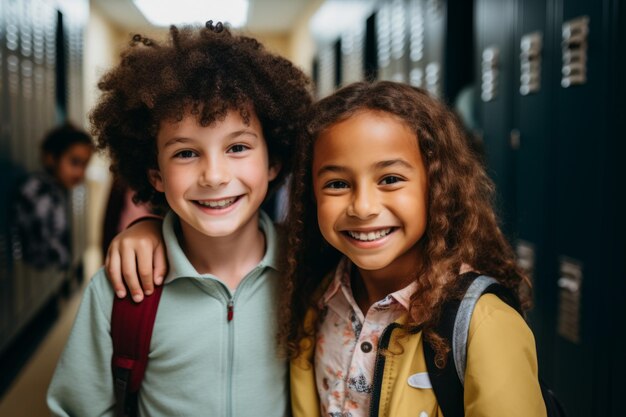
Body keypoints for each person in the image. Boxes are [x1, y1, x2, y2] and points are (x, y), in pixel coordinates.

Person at [106, 81, 547, 416]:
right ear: (309, 196)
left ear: (438, 187)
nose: (363, 206)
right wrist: (151, 226)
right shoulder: (315, 301)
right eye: (336, 184)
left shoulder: (481, 324)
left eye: (390, 179)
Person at [47, 21, 311, 417]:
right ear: (155, 175)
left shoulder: (308, 273)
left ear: (273, 161)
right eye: (186, 153)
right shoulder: (120, 289)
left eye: (237, 147)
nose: (215, 175)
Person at [13, 123, 93, 269]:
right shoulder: (39, 191)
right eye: (74, 162)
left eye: (85, 165)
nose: (80, 173)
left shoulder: (57, 190)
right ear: (51, 158)